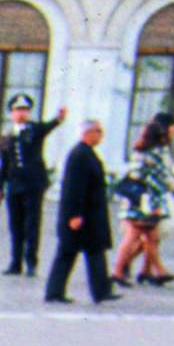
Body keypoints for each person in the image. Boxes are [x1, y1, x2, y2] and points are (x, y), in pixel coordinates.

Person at [45, 119, 123, 303]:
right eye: (98, 131)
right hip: (81, 215)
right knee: (67, 252)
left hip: (91, 214)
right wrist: (75, 214)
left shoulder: (88, 153)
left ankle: (101, 291)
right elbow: (73, 188)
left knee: (95, 251)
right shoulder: (80, 155)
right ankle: (54, 292)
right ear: (88, 132)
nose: (102, 135)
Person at [0, 93, 66, 277]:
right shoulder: (7, 137)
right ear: (11, 113)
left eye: (25, 110)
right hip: (14, 186)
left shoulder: (35, 129)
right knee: (15, 225)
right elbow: (3, 165)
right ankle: (15, 263)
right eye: (18, 110)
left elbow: (49, 126)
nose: (22, 113)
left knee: (32, 225)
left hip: (33, 185)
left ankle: (31, 262)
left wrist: (59, 118)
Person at [111, 111, 174, 287]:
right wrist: (171, 186)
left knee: (147, 236)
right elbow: (159, 180)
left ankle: (149, 271)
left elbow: (137, 175)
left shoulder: (138, 151)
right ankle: (120, 270)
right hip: (149, 202)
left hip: (135, 200)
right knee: (141, 236)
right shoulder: (156, 154)